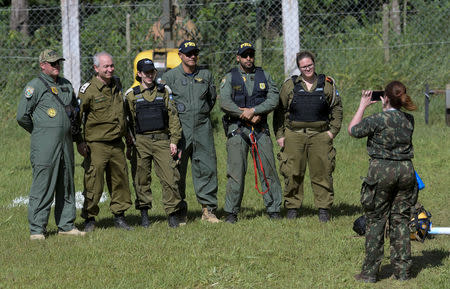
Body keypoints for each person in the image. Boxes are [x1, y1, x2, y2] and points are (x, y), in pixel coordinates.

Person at [348, 81, 417, 283]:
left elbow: (353, 130)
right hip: (406, 171)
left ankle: (370, 273)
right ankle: (402, 271)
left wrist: (362, 105)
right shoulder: (409, 120)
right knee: (401, 220)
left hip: (381, 172)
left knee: (376, 221)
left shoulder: (377, 119)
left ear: (384, 98)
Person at [17, 49, 85, 240]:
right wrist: (41, 131)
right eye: (53, 63)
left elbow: (74, 115)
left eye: (58, 63)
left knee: (66, 182)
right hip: (45, 145)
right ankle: (37, 229)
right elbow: (22, 116)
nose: (57, 66)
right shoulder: (34, 87)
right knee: (43, 183)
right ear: (43, 65)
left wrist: (79, 140)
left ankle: (66, 225)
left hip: (66, 144)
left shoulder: (65, 84)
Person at [273, 51, 343, 222]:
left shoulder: (327, 85)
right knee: (292, 172)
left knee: (322, 172)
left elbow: (337, 108)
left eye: (310, 65)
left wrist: (332, 131)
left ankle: (324, 208)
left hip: (320, 135)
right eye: (304, 67)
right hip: (294, 135)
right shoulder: (289, 85)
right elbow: (279, 111)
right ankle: (292, 207)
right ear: (299, 68)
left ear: (314, 64)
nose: (307, 69)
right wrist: (280, 135)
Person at [220, 42, 282, 223]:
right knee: (236, 172)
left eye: (251, 55)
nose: (248, 58)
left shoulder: (265, 76)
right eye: (244, 55)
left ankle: (274, 209)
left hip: (260, 129)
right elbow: (224, 102)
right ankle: (231, 212)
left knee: (268, 169)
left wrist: (255, 111)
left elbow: (273, 99)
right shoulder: (230, 78)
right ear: (238, 57)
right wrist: (244, 114)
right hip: (237, 129)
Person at [161, 40, 220, 223]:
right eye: (188, 53)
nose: (192, 56)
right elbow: (164, 106)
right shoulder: (169, 78)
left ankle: (208, 210)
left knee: (207, 168)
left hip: (202, 128)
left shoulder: (206, 75)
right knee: (177, 170)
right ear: (180, 56)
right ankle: (180, 211)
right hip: (180, 130)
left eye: (195, 52)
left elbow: (211, 101)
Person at [125, 58, 186, 228]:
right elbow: (127, 121)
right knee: (141, 178)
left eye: (152, 72)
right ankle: (144, 214)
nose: (149, 75)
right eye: (146, 72)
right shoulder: (131, 95)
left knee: (170, 177)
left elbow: (173, 116)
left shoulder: (164, 91)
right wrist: (130, 144)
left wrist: (174, 141)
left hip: (162, 140)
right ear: (139, 74)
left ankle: (172, 214)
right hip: (141, 142)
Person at [77, 51, 133, 232]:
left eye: (111, 65)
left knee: (120, 180)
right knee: (94, 182)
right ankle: (90, 219)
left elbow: (122, 113)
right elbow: (77, 117)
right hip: (96, 144)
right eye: (106, 66)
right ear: (96, 68)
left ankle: (120, 216)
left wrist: (128, 136)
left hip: (117, 143)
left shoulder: (116, 84)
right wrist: (80, 141)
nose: (110, 69)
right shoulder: (88, 90)